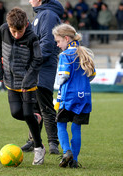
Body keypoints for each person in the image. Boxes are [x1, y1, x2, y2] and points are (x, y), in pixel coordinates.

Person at [0, 7, 45, 165]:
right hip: (10, 82)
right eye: (13, 31)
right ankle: (37, 118)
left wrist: (28, 80)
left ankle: (38, 147)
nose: (16, 35)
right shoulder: (2, 30)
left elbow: (38, 60)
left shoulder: (32, 37)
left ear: (26, 26)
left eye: (19, 32)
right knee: (15, 113)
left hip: (28, 84)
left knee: (28, 114)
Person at [21, 0, 64, 155]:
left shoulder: (48, 15)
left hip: (43, 68)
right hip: (36, 67)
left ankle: (53, 142)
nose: (29, 1)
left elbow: (46, 44)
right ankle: (33, 141)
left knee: (44, 105)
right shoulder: (41, 14)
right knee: (34, 107)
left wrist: (31, 60)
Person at [52, 23, 96, 168]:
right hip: (84, 97)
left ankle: (66, 152)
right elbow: (92, 75)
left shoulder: (65, 55)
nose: (58, 45)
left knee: (60, 124)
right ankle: (74, 161)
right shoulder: (85, 53)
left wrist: (57, 86)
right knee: (76, 128)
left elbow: (63, 77)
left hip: (69, 96)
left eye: (58, 41)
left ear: (66, 38)